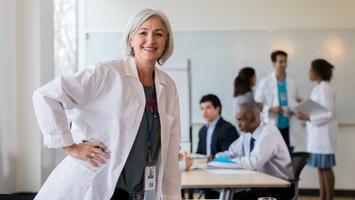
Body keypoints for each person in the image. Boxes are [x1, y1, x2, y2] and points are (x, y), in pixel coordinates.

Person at [33, 9, 181, 200]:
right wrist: (71, 146)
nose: (150, 40)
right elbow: (46, 95)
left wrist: (171, 195)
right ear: (130, 39)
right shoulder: (106, 73)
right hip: (98, 188)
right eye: (143, 32)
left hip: (142, 192)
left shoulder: (167, 86)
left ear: (166, 40)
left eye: (158, 34)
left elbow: (170, 149)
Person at [216, 102, 293, 199]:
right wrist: (216, 157)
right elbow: (232, 152)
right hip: (260, 185)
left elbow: (253, 163)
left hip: (278, 188)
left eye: (240, 119)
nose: (238, 124)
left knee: (234, 197)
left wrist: (229, 162)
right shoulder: (247, 134)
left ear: (254, 119)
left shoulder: (268, 132)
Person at [296, 59, 337, 200]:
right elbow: (318, 108)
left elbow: (328, 113)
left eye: (310, 70)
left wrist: (309, 118)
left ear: (317, 72)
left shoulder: (325, 88)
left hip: (323, 137)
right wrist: (303, 105)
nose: (309, 72)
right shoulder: (318, 88)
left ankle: (329, 197)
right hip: (318, 136)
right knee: (321, 168)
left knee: (326, 168)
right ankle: (322, 197)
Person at [254, 50, 302, 153]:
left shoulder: (292, 81)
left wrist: (295, 108)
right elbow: (257, 105)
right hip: (272, 125)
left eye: (285, 61)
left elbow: (294, 100)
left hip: (289, 127)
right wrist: (270, 109)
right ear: (274, 63)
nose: (283, 64)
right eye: (280, 62)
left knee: (289, 159)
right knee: (273, 158)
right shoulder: (265, 82)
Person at [196, 94, 239, 199]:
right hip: (206, 174)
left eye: (208, 108)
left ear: (217, 108)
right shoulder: (203, 130)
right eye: (202, 108)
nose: (204, 112)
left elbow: (229, 156)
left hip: (222, 175)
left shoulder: (228, 129)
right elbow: (199, 154)